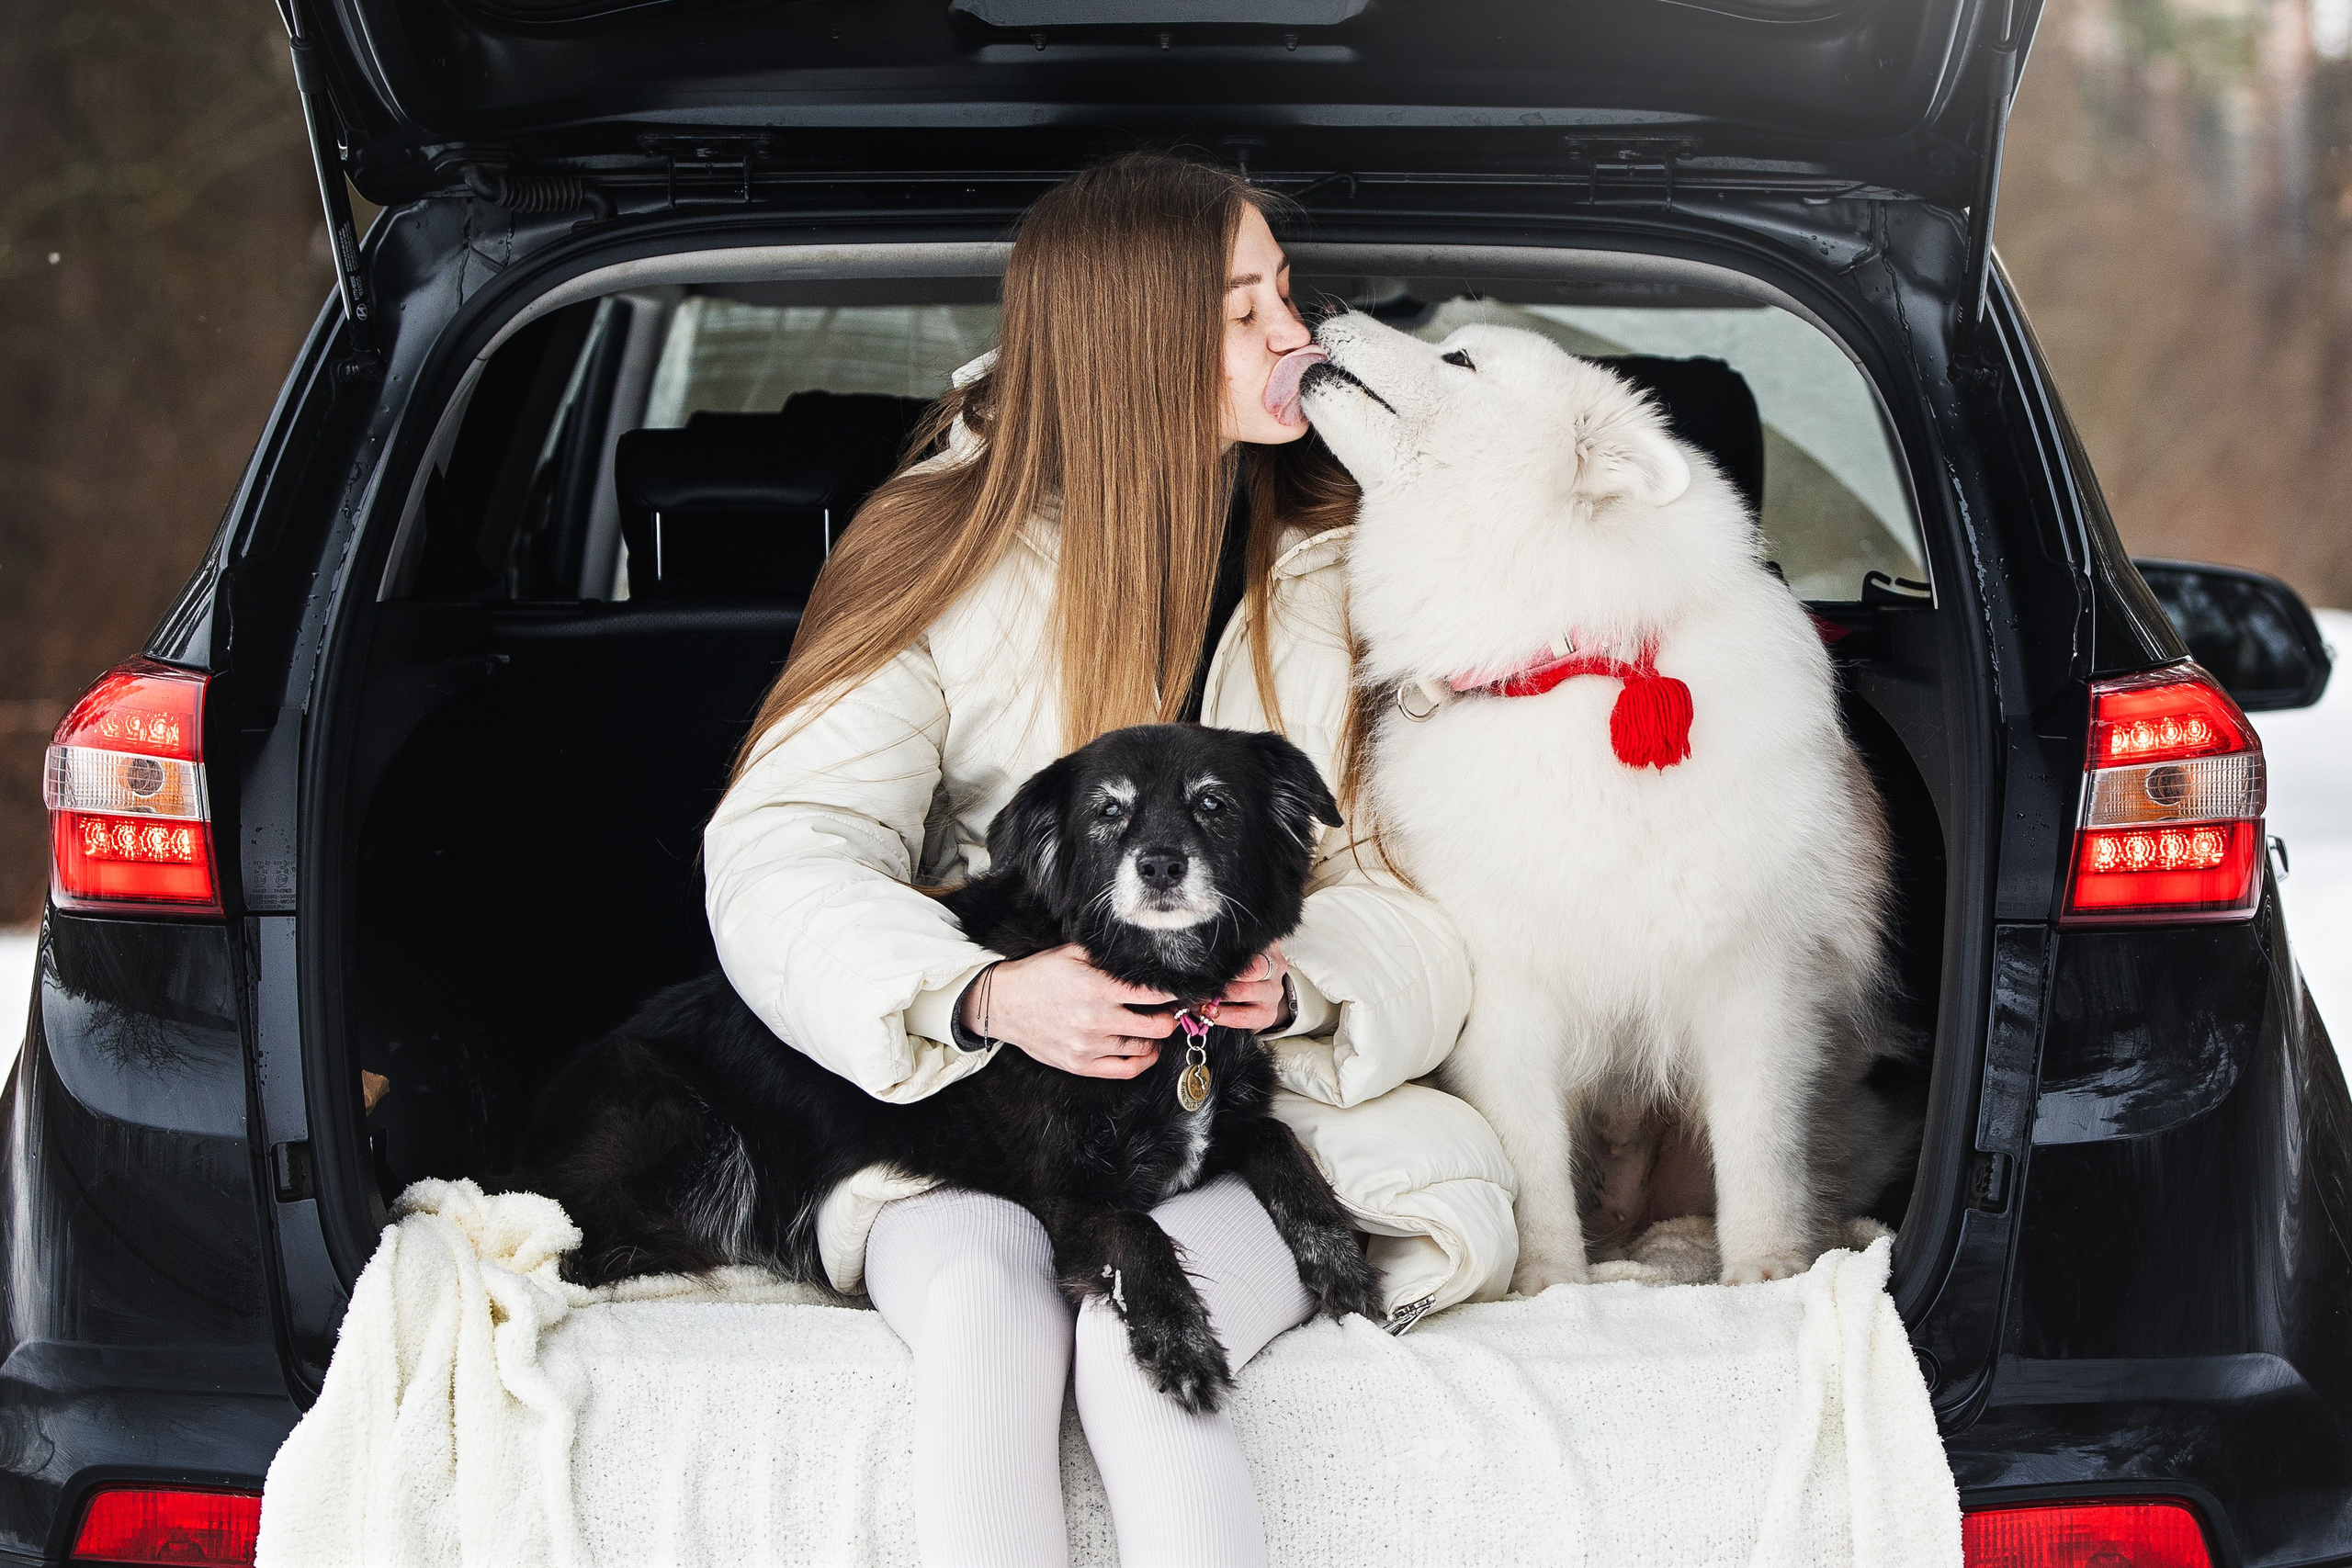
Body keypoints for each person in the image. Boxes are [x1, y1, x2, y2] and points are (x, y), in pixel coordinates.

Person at [703, 152, 1517, 1568]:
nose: (1296, 337)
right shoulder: (944, 546)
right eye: (1241, 310)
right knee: (984, 1314)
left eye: (1286, 293)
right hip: (988, 1122)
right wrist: (973, 997)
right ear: (1136, 350)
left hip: (1287, 1118)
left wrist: (1309, 986)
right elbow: (782, 851)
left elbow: (1428, 889)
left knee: (1143, 1364)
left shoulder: (1359, 545)